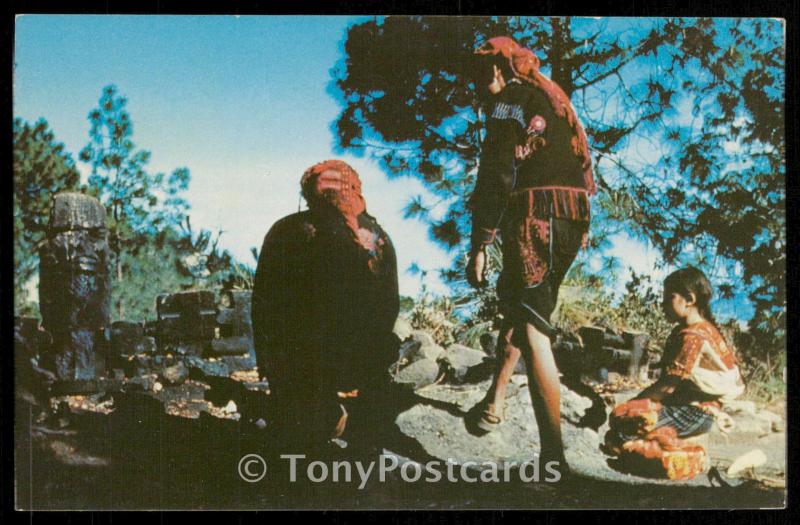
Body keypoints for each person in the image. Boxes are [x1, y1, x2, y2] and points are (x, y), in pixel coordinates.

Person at [465, 36, 596, 472]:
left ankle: (553, 460)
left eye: (481, 76)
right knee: (523, 310)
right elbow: (580, 163)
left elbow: (496, 176)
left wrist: (479, 243)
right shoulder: (553, 101)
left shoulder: (508, 104)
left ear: (499, 70)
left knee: (535, 330)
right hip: (573, 215)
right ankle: (494, 404)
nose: (479, 86)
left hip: (535, 215)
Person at [251, 160, 400, 452]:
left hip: (300, 365)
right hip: (358, 365)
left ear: (309, 193)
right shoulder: (378, 238)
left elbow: (264, 307)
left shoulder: (286, 231)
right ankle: (355, 423)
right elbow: (388, 309)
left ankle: (311, 416)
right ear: (355, 190)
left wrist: (270, 364)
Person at [603, 266, 745, 480]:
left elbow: (669, 385)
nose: (662, 304)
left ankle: (689, 456)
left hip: (695, 412)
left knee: (622, 427)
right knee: (620, 432)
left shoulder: (693, 336)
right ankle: (669, 445)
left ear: (689, 299)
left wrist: (634, 403)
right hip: (691, 409)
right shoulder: (698, 330)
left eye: (669, 297)